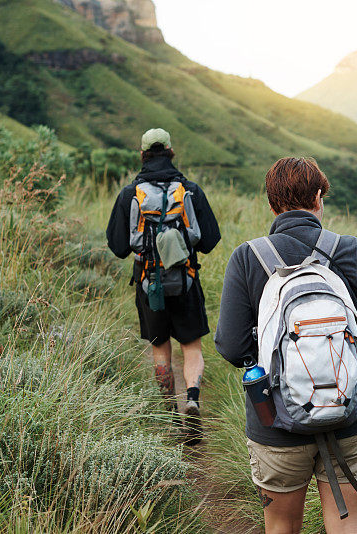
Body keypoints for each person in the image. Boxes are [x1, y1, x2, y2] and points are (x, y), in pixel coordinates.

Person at [215, 157, 357, 533]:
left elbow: (232, 348)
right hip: (352, 415)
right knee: (347, 524)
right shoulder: (349, 250)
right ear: (318, 198)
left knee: (282, 525)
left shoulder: (248, 258)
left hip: (275, 422)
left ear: (271, 205)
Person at [106, 128, 220, 444]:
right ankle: (193, 399)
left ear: (142, 154)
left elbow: (118, 246)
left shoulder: (131, 193)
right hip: (186, 280)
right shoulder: (190, 190)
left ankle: (170, 412)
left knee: (160, 348)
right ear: (171, 151)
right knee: (191, 345)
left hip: (148, 284)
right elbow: (210, 240)